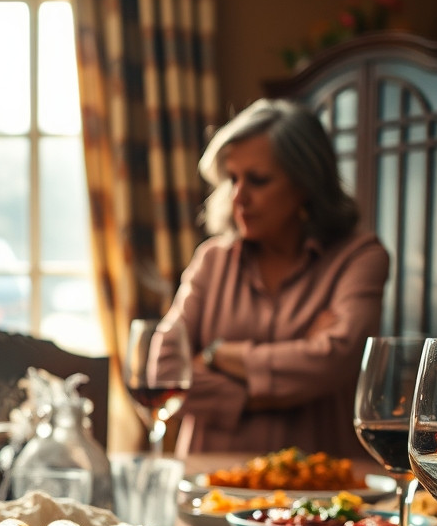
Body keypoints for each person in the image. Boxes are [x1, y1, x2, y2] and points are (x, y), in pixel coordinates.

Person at [155, 98, 388, 457]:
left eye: (258, 180)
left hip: (321, 486)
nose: (238, 196)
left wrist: (214, 354)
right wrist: (275, 389)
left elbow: (332, 361)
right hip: (211, 486)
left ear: (306, 184)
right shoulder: (212, 260)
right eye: (232, 179)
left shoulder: (360, 257)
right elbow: (166, 370)